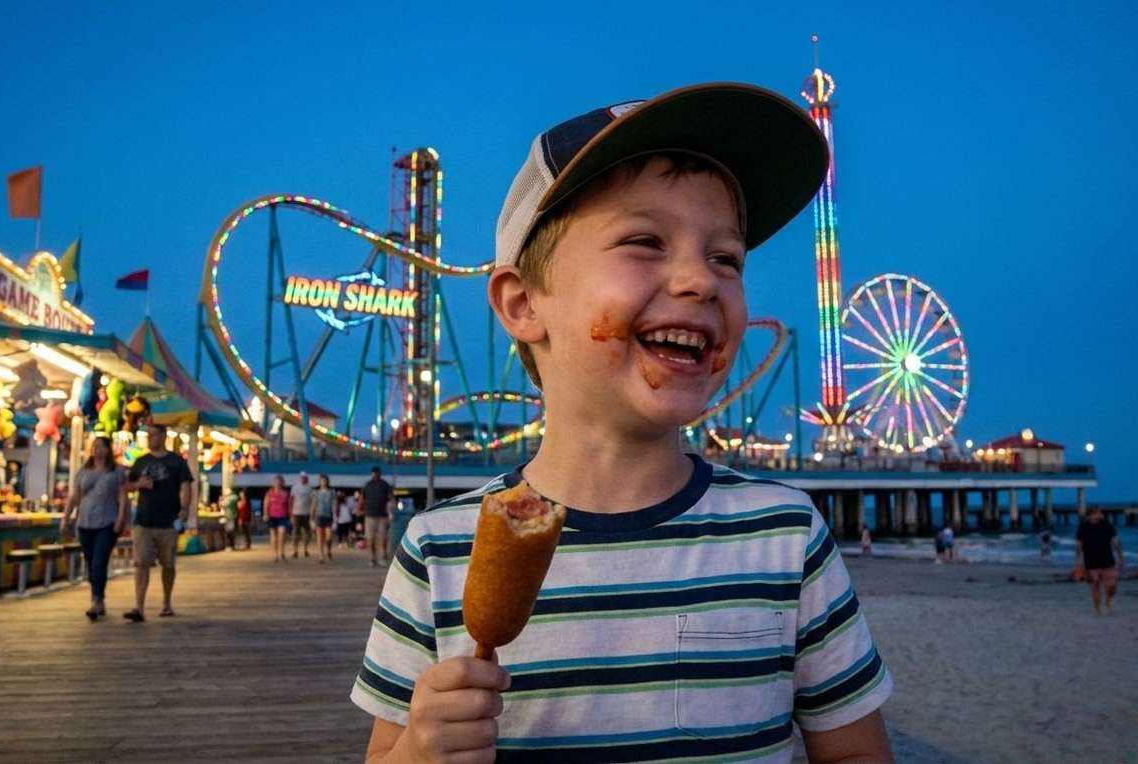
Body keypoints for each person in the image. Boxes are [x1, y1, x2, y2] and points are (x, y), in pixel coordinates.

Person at [352, 84, 893, 762]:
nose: (701, 280)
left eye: (727, 257)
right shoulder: (438, 552)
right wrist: (419, 754)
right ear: (522, 304)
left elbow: (855, 751)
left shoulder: (786, 538)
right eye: (645, 241)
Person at [122, 423, 194, 622]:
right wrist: (138, 484)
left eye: (153, 435)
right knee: (141, 563)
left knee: (168, 564)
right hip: (143, 520)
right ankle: (138, 606)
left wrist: (184, 509)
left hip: (168, 521)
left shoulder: (176, 462)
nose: (150, 438)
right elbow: (126, 485)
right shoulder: (140, 461)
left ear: (163, 436)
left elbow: (186, 486)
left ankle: (166, 602)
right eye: (148, 435)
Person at [60, 436, 128, 621]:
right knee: (91, 563)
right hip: (85, 523)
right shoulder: (84, 471)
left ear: (108, 450)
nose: (96, 450)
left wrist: (121, 519)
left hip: (107, 522)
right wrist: (66, 517)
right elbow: (75, 496)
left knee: (99, 561)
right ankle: (98, 598)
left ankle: (97, 600)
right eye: (94, 447)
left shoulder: (116, 472)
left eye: (99, 446)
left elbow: (122, 497)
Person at [1075, 507, 1124, 615]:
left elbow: (1116, 542)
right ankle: (1098, 609)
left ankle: (1108, 601)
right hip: (1090, 562)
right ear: (1089, 516)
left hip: (1108, 561)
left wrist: (1121, 557)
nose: (1099, 515)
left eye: (1099, 513)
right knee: (1095, 587)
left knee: (1112, 586)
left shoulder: (1106, 525)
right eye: (1096, 513)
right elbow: (1079, 545)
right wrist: (1078, 563)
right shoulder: (1083, 527)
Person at [360, 466, 393, 567]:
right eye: (374, 473)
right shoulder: (367, 485)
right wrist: (359, 509)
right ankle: (372, 558)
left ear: (380, 473)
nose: (375, 474)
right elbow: (362, 498)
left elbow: (391, 498)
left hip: (382, 515)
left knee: (382, 538)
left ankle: (382, 557)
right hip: (369, 515)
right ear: (371, 473)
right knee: (370, 539)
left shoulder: (385, 485)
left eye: (377, 472)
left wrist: (392, 511)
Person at [263, 476, 291, 562]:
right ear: (273, 483)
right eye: (276, 482)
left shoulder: (285, 493)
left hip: (283, 516)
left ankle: (281, 551)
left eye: (279, 482)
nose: (277, 484)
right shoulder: (269, 493)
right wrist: (265, 514)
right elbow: (266, 504)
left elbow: (289, 506)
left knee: (282, 534)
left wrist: (290, 516)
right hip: (272, 516)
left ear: (282, 483)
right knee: (273, 536)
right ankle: (275, 554)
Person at [289, 471, 314, 559]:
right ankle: (295, 551)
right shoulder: (295, 487)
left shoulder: (310, 488)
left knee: (308, 533)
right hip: (296, 513)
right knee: (296, 533)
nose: (303, 479)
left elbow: (312, 501)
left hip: (306, 513)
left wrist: (312, 514)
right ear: (299, 478)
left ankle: (305, 549)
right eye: (302, 477)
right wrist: (291, 513)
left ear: (307, 478)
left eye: (305, 477)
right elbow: (291, 500)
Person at [313, 474, 336, 563]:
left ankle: (328, 550)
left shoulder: (332, 492)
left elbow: (334, 503)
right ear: (319, 482)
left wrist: (335, 515)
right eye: (321, 481)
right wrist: (311, 516)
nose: (323, 482)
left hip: (328, 516)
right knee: (319, 536)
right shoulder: (316, 492)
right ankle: (321, 555)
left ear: (327, 482)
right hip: (319, 515)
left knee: (328, 536)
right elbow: (314, 504)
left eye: (325, 481)